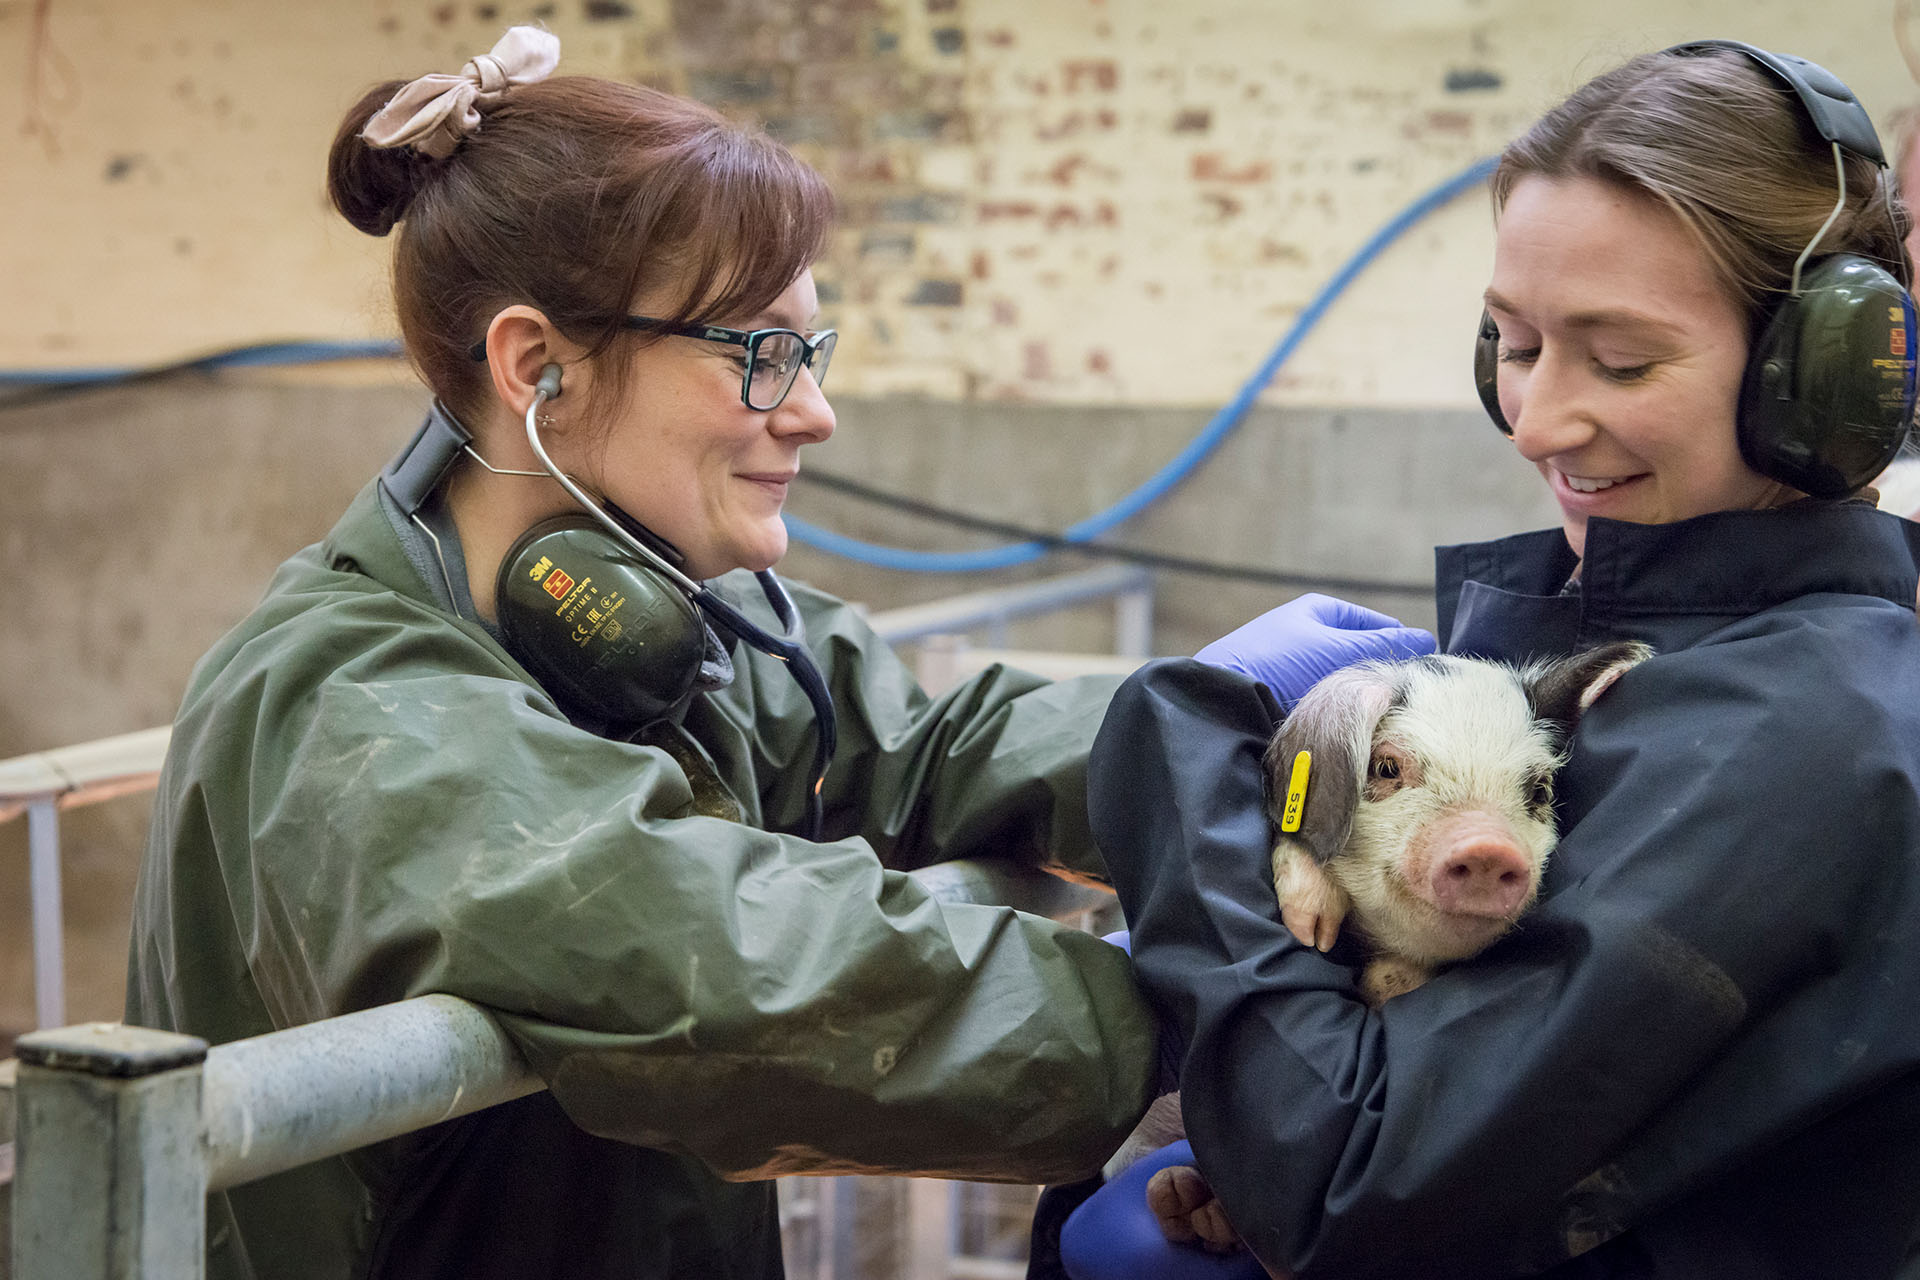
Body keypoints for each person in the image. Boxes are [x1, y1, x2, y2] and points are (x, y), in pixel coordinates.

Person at [123, 26, 1431, 1280]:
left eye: (811, 347)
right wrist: (1237, 1012)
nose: (814, 408)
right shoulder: (354, 704)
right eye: (759, 354)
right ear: (540, 368)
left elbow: (937, 750)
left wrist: (1271, 742)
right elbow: (732, 974)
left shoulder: (684, 622)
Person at [1063, 40, 1920, 1279]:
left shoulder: (1795, 740)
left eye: (1620, 359)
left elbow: (1344, 1175)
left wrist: (1199, 739)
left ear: (1818, 380)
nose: (1536, 419)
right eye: (1513, 344)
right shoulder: (1640, 636)